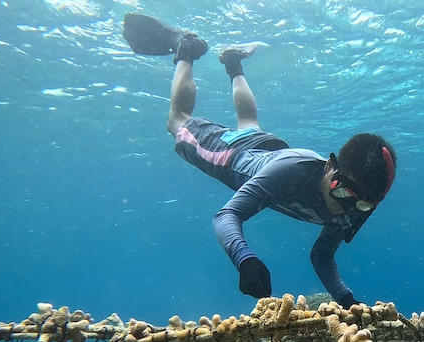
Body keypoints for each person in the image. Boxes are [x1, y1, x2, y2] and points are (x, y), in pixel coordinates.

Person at [164, 33, 396, 308]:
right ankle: (186, 50)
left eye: (364, 205)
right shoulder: (293, 174)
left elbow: (322, 255)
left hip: (269, 149)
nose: (348, 208)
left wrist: (345, 299)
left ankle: (233, 63)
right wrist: (245, 260)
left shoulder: (360, 199)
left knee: (248, 121)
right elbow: (226, 215)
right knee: (177, 122)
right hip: (233, 156)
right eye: (343, 192)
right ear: (330, 166)